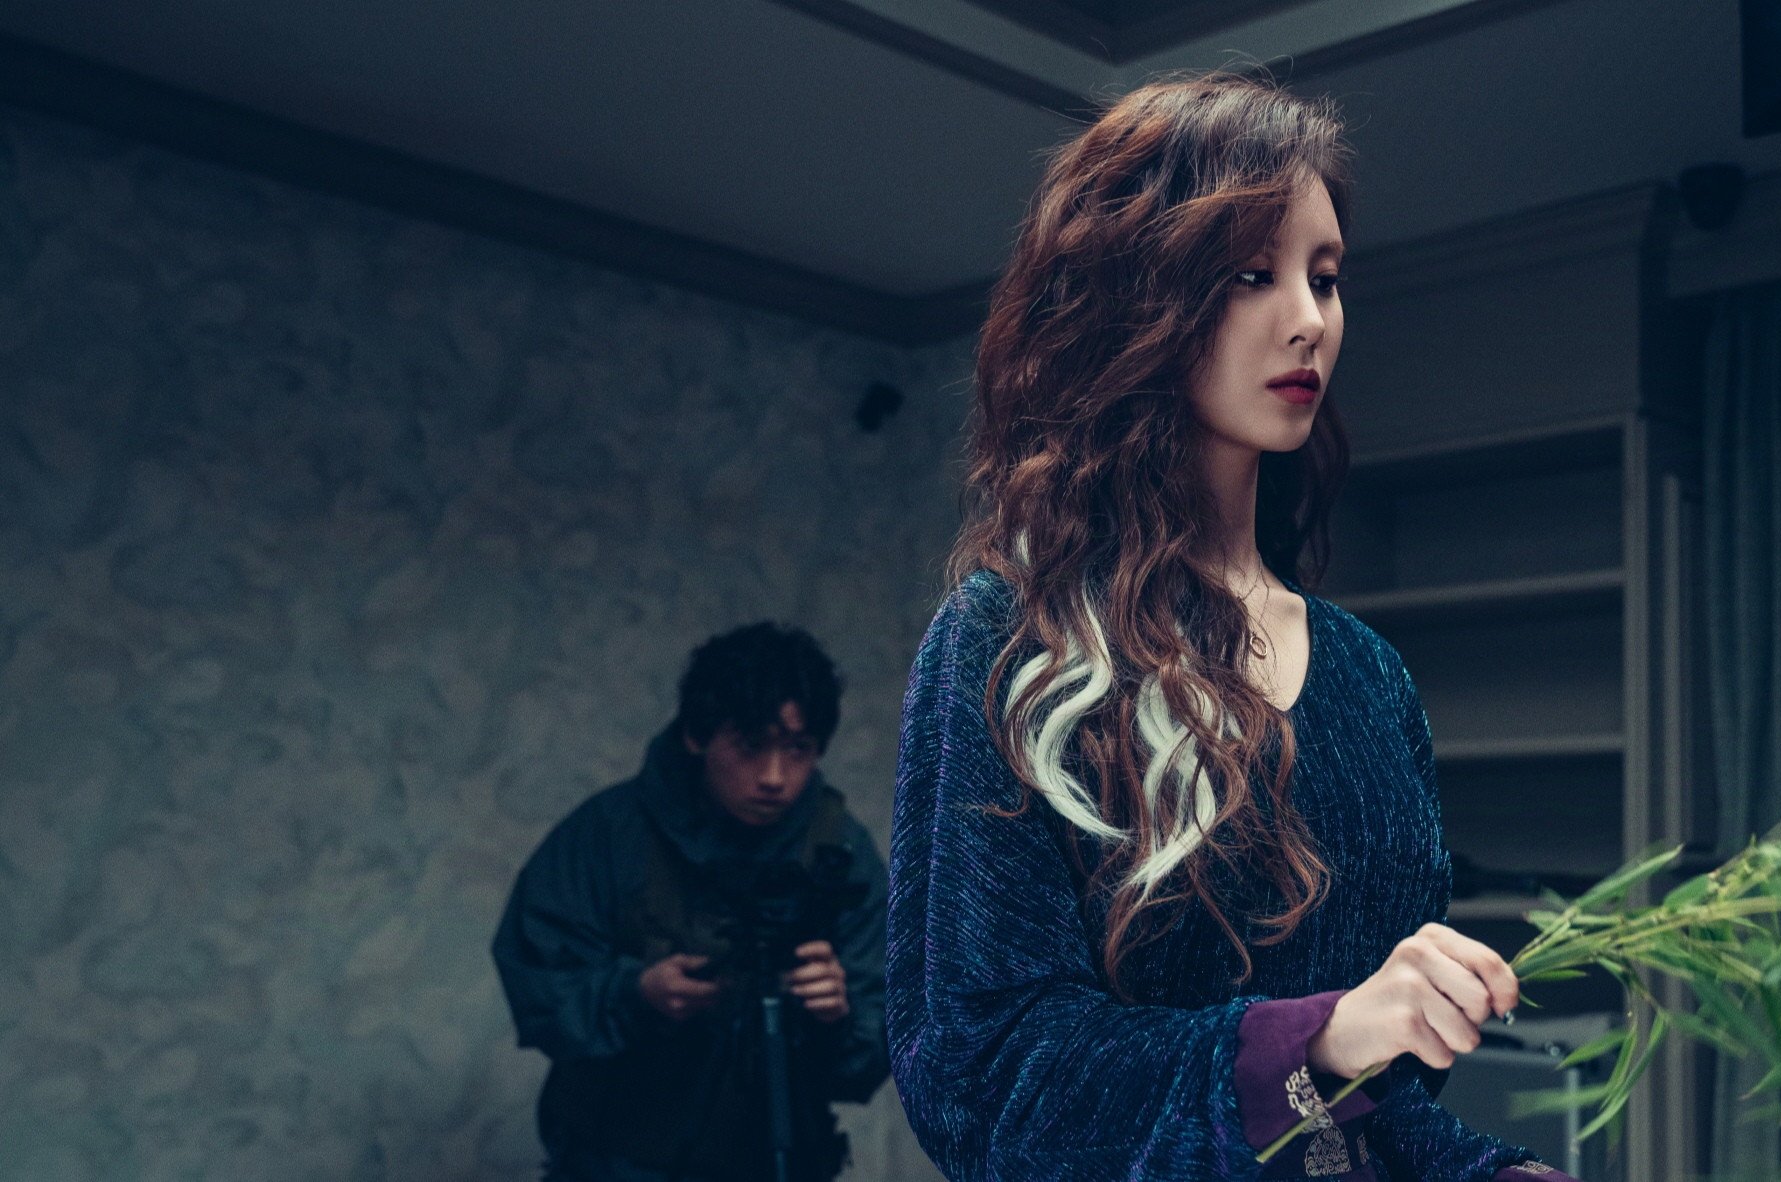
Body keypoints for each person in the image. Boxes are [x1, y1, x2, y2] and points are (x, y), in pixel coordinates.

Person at [885, 74, 1579, 1181]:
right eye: (1253, 274)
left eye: (1325, 277)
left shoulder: (1370, 676)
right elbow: (983, 1079)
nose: (1309, 319)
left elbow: (1365, 1111)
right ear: (1135, 297)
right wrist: (1316, 1038)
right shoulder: (1008, 640)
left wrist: (1490, 1171)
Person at [493, 623, 888, 1182]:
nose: (774, 777)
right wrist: (636, 994)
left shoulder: (839, 852)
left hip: (772, 1159)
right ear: (697, 737)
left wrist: (833, 1014)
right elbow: (539, 987)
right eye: (749, 746)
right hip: (615, 1159)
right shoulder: (608, 836)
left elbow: (884, 1034)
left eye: (797, 750)